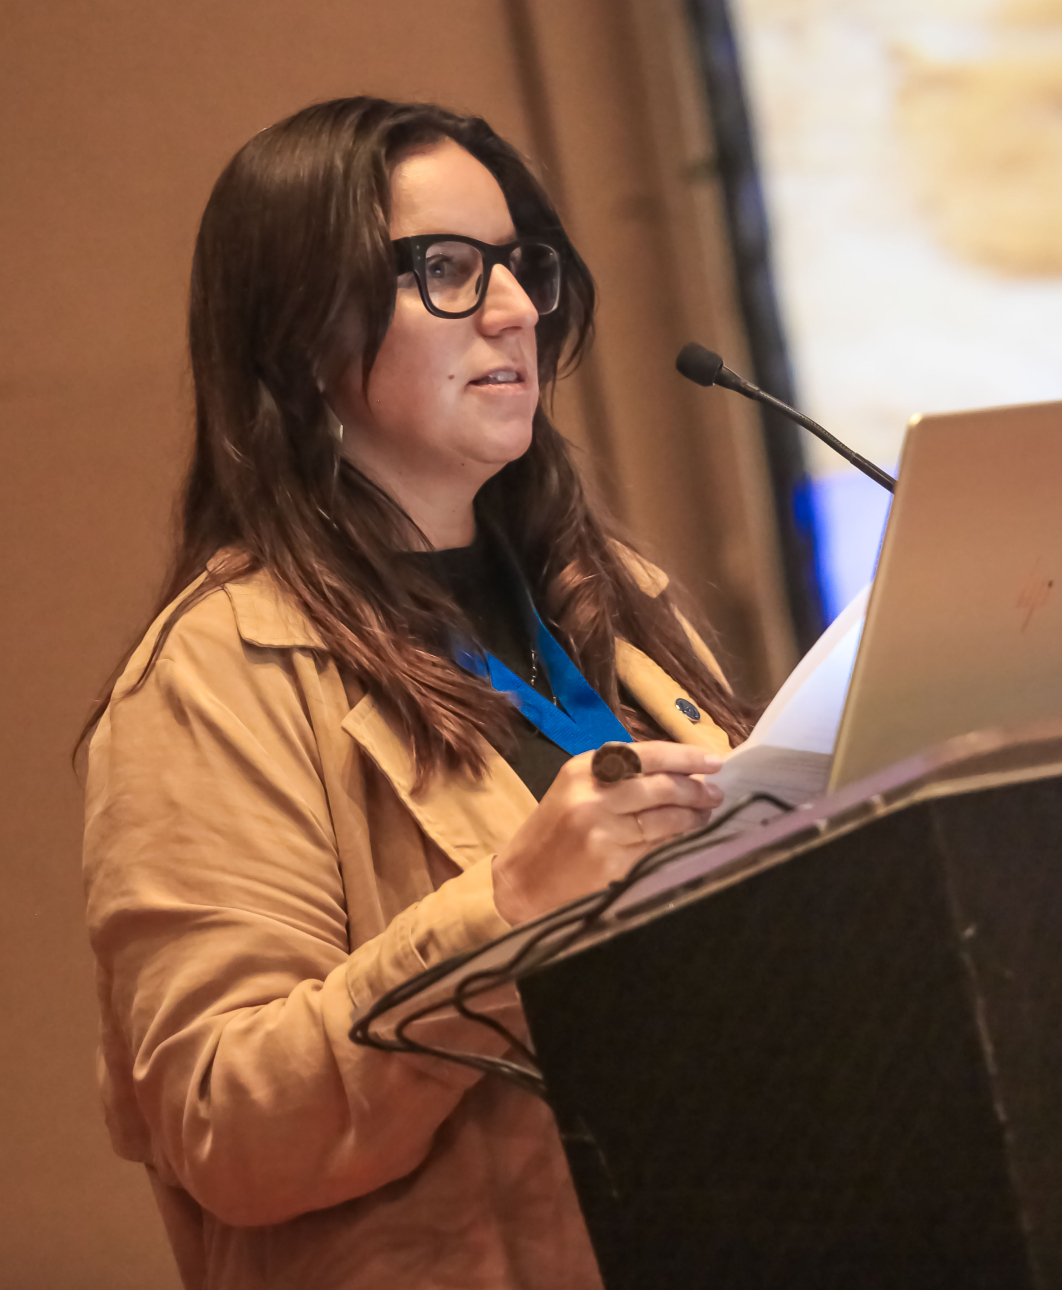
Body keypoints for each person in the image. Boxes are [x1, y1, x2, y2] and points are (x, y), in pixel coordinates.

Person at [80, 97, 752, 1290]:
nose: (514, 308)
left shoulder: (611, 596)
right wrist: (507, 912)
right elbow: (223, 1125)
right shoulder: (214, 675)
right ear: (301, 332)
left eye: (520, 265)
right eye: (445, 269)